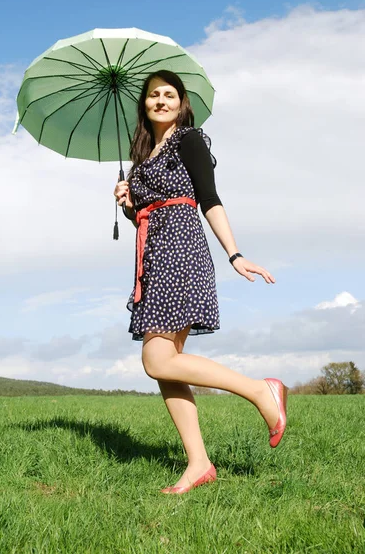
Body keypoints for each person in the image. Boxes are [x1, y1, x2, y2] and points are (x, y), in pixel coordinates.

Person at [113, 70, 287, 494]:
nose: (160, 100)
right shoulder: (143, 157)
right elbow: (145, 216)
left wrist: (235, 253)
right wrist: (128, 203)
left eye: (168, 94)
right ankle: (199, 464)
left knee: (157, 360)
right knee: (166, 367)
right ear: (144, 104)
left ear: (181, 101)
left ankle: (260, 391)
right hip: (154, 257)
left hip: (181, 252)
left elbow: (209, 198)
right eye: (153, 95)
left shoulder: (188, 140)